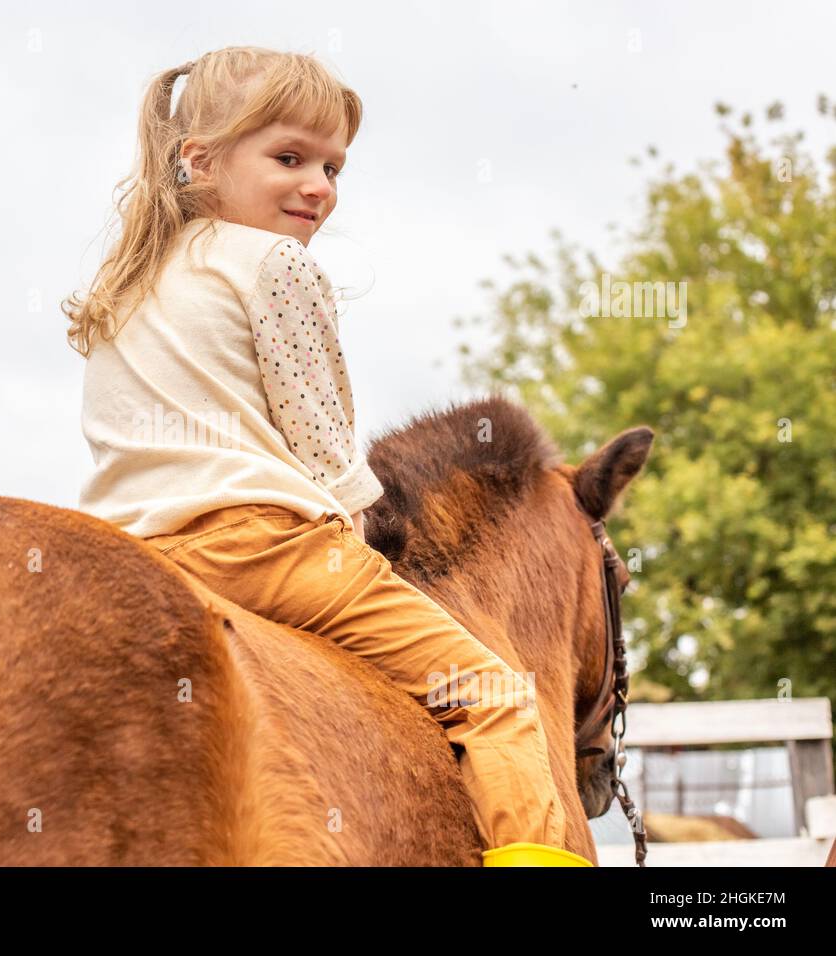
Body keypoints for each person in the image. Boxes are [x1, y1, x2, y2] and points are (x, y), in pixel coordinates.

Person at [64, 46, 587, 867]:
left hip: (135, 557)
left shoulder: (125, 287)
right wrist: (360, 530)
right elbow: (322, 444)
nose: (319, 187)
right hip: (268, 550)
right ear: (200, 161)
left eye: (333, 167)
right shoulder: (276, 264)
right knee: (497, 697)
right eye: (289, 158)